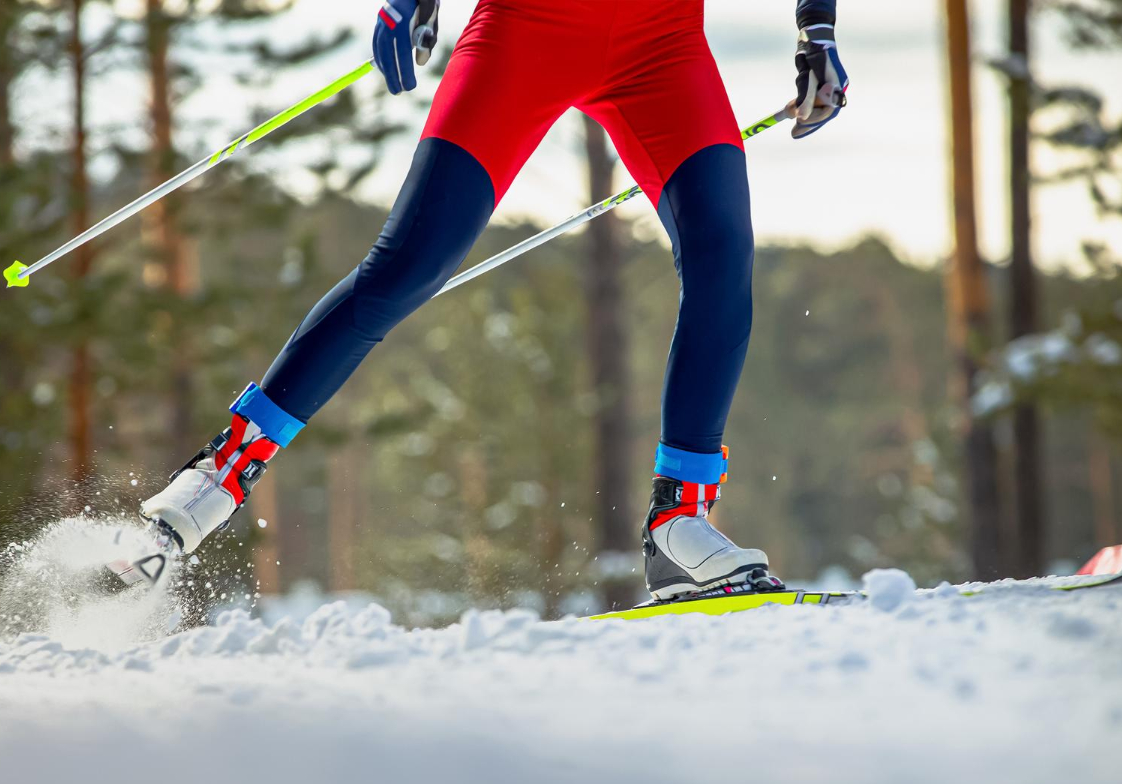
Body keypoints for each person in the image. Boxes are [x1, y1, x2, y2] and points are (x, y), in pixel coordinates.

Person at [141, 0, 847, 600]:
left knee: (724, 258)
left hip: (660, 44)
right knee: (409, 264)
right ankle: (224, 469)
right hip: (528, 29)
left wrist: (818, 30)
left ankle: (678, 521)